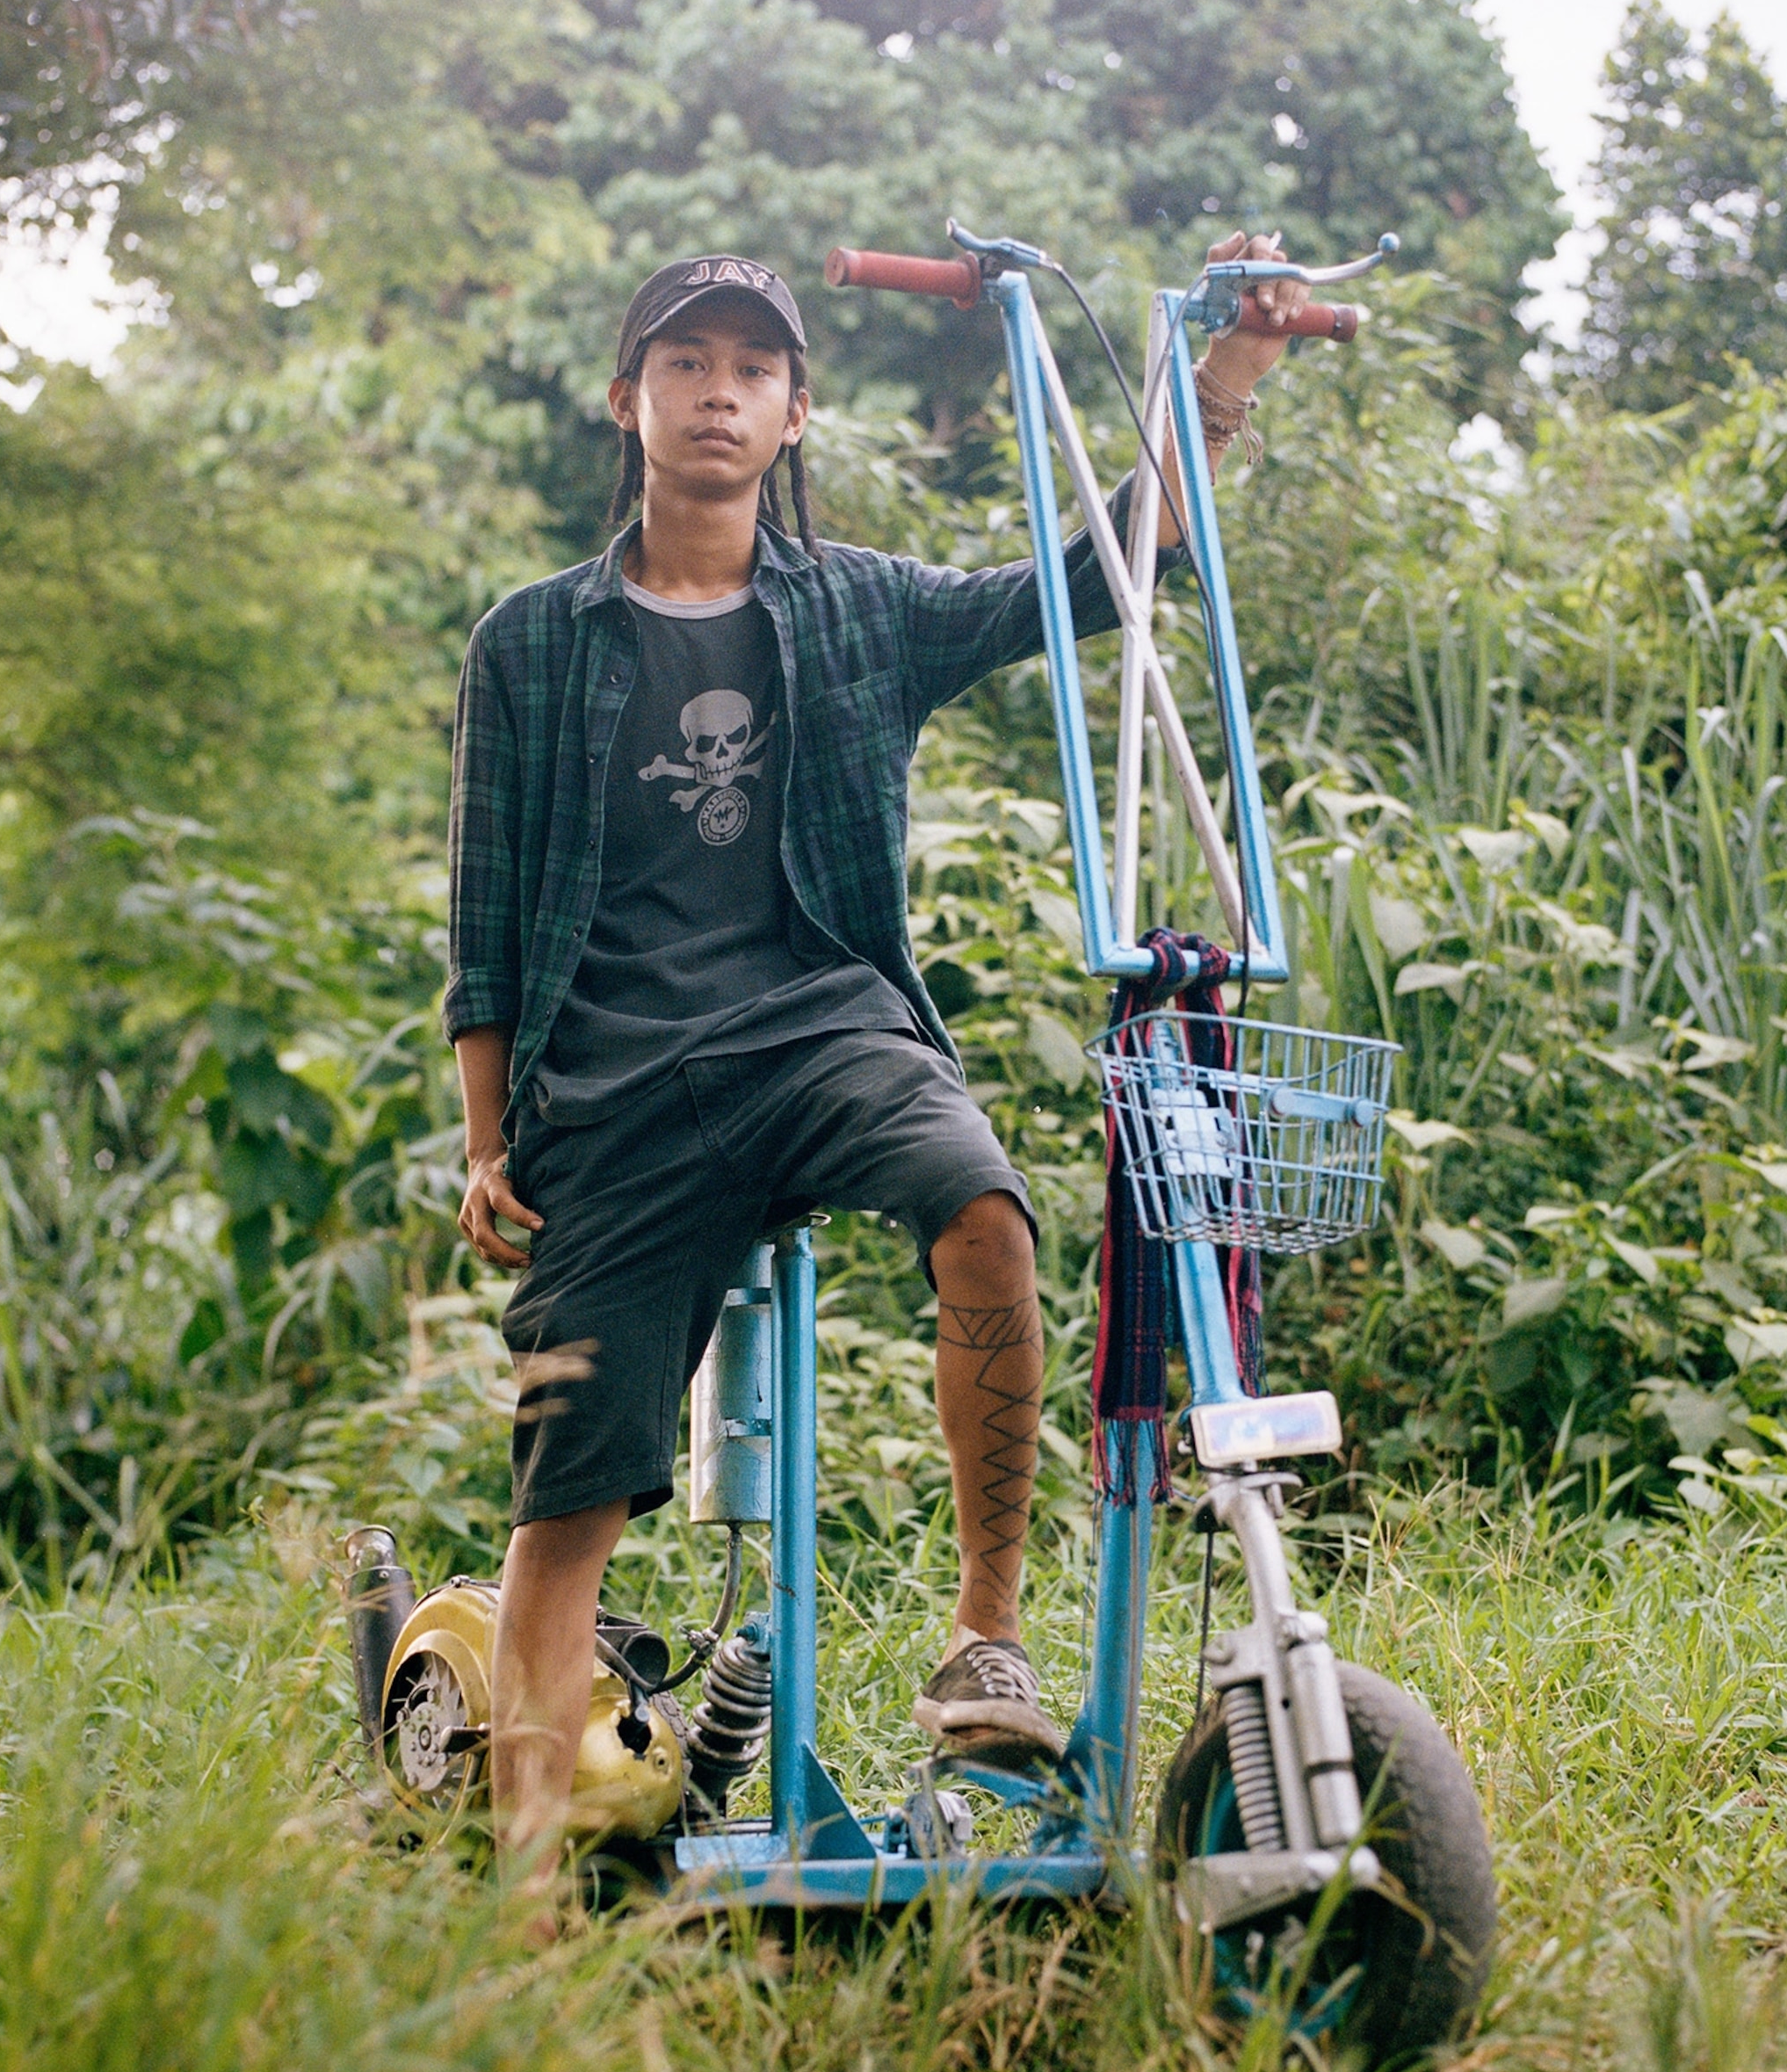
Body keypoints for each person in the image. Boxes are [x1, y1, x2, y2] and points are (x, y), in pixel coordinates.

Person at [445, 236, 1301, 1864]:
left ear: (794, 416)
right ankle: (525, 1900)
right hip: (613, 1088)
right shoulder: (534, 642)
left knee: (984, 1210)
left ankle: (986, 1636)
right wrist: (490, 1141)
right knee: (570, 1507)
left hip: (825, 1027)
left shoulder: (863, 610)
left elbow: (1100, 572)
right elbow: (486, 917)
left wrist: (1226, 380)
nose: (718, 392)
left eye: (752, 370)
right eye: (686, 365)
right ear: (628, 402)